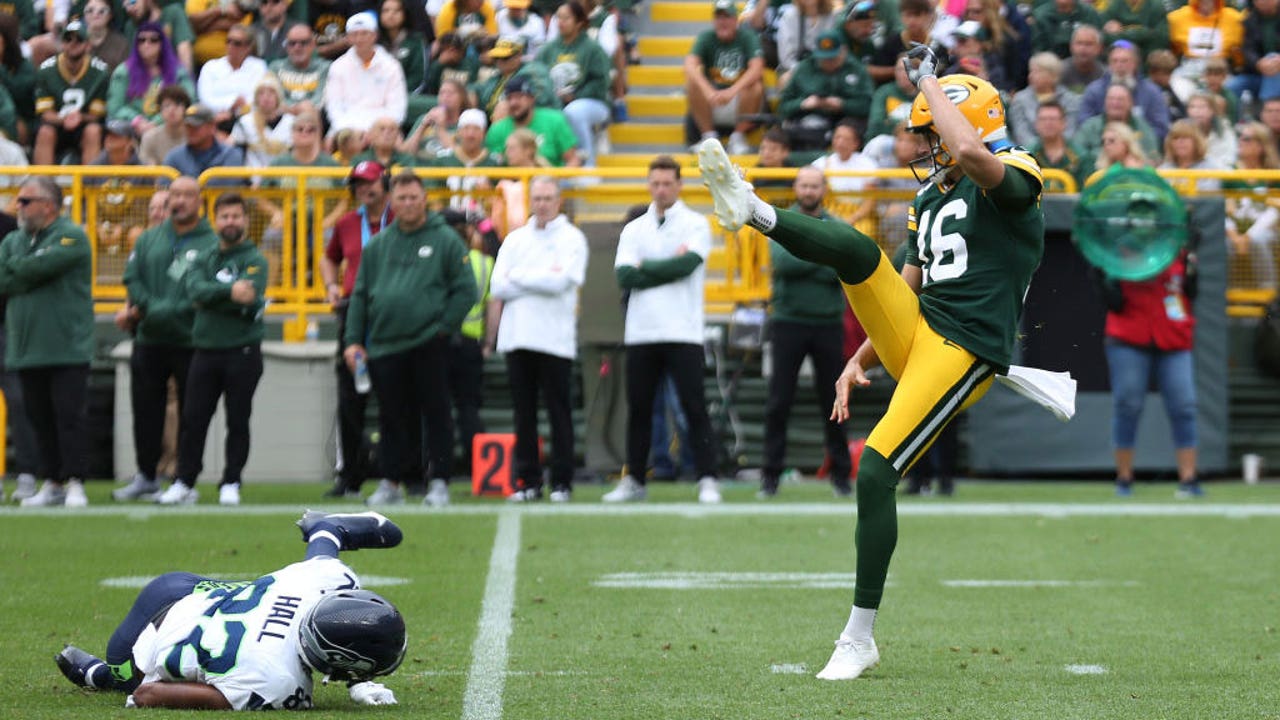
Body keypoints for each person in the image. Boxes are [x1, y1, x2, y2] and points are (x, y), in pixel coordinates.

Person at [697, 51, 1047, 679]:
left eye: (930, 133)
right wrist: (859, 355)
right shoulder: (930, 198)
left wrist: (930, 82)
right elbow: (905, 284)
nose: (922, 148)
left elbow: (974, 156)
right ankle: (754, 210)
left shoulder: (1015, 169)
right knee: (859, 251)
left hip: (966, 347)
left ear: (958, 123)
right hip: (919, 330)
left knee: (876, 470)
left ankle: (859, 637)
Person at [53, 510, 407, 710]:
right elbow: (149, 694)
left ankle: (329, 527)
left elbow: (323, 562)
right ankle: (101, 674)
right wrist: (358, 683)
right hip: (137, 644)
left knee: (323, 552)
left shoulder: (323, 584)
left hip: (178, 588)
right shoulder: (281, 685)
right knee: (127, 676)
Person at [342, 172, 478, 507]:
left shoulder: (445, 239)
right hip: (386, 343)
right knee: (391, 417)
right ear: (392, 201)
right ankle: (391, 481)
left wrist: (444, 327)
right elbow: (359, 295)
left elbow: (466, 290)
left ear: (424, 199)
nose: (407, 203)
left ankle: (440, 482)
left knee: (437, 413)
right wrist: (352, 340)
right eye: (401, 198)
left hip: (430, 342)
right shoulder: (378, 245)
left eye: (413, 197)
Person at [603, 156, 724, 504]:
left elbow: (688, 265)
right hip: (641, 331)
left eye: (667, 183)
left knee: (693, 406)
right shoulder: (634, 228)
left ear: (679, 185)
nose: (661, 189)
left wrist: (647, 268)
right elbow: (625, 275)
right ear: (648, 185)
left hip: (683, 331)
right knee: (639, 409)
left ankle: (707, 478)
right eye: (655, 183)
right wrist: (664, 266)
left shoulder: (695, 224)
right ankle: (635, 480)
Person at [155, 193, 268, 507]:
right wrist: (230, 292)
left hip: (242, 351)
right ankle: (185, 481)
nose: (230, 222)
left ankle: (231, 481)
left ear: (245, 220)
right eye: (224, 216)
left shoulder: (255, 259)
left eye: (235, 216)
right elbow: (195, 291)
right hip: (205, 350)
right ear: (215, 220)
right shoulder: (204, 256)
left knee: (238, 419)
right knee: (193, 419)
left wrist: (217, 296)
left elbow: (251, 299)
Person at [113, 177, 219, 502]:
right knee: (145, 410)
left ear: (200, 201)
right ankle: (147, 475)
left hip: (192, 339)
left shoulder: (211, 242)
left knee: (192, 413)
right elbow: (132, 278)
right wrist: (152, 307)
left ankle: (184, 478)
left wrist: (164, 308)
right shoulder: (149, 239)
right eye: (175, 195)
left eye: (188, 195)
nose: (180, 201)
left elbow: (206, 288)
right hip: (149, 338)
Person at [490, 176, 588, 502]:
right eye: (537, 198)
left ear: (559, 201)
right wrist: (542, 276)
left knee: (559, 413)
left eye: (548, 198)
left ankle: (562, 482)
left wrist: (519, 278)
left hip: (555, 339)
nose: (542, 204)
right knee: (524, 414)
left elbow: (563, 282)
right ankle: (528, 482)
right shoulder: (515, 239)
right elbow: (497, 286)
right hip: (517, 338)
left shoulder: (573, 238)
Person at [0, 178, 95, 508]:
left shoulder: (73, 236)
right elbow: (5, 276)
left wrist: (19, 271)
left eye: (26, 201)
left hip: (65, 345)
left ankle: (75, 481)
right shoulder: (13, 240)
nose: (19, 207)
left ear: (50, 205)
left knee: (69, 417)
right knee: (38, 418)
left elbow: (34, 269)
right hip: (26, 348)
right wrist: (21, 270)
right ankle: (52, 481)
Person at [760, 166, 852, 499]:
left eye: (815, 185)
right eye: (804, 185)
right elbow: (784, 264)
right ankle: (769, 476)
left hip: (827, 322)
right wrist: (823, 257)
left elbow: (842, 269)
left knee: (835, 402)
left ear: (823, 189)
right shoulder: (780, 223)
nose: (809, 191)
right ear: (796, 188)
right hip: (787, 321)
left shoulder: (838, 227)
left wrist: (811, 257)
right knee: (778, 401)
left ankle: (841, 475)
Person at [1098, 215, 1202, 498]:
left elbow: (1192, 291)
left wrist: (1193, 260)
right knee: (1128, 404)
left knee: (1184, 405)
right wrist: (1103, 275)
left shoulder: (1179, 250)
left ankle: (1189, 479)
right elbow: (1113, 301)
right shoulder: (1119, 251)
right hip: (1129, 334)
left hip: (1174, 334)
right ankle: (1124, 478)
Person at [320, 161, 393, 499]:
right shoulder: (349, 223)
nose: (364, 189)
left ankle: (403, 473)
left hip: (393, 313)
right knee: (350, 398)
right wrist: (331, 287)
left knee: (397, 397)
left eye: (369, 182)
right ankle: (350, 475)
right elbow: (329, 257)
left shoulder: (401, 219)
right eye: (358, 184)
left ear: (384, 182)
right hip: (354, 312)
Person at [536, 0, 613, 167]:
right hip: (555, 101)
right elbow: (537, 76)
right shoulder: (547, 50)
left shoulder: (593, 49)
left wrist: (575, 96)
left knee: (574, 111)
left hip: (594, 103)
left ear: (579, 22)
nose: (561, 22)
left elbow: (601, 82)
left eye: (566, 18)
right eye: (559, 18)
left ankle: (587, 166)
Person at [683, 0, 766, 156]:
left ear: (735, 20)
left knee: (755, 86)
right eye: (719, 17)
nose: (723, 22)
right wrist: (708, 91)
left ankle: (738, 137)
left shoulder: (748, 37)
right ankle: (708, 137)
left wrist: (732, 91)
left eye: (727, 17)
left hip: (740, 101)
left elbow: (757, 69)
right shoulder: (706, 37)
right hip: (712, 100)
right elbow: (689, 65)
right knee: (692, 82)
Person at [0, 208, 41, 504]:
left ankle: (27, 474)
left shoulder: (11, 227)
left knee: (18, 398)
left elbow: (19, 273)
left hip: (7, 324)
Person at [777, 29, 874, 151]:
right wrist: (803, 104)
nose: (828, 62)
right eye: (823, 59)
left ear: (843, 51)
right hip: (812, 121)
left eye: (832, 58)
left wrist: (842, 104)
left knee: (849, 131)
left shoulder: (857, 69)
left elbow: (868, 105)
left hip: (848, 121)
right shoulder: (804, 68)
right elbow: (784, 107)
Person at [33, 20, 110, 166]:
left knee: (93, 131)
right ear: (62, 43)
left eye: (79, 39)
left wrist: (80, 117)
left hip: (84, 125)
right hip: (56, 124)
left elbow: (96, 115)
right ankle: (42, 184)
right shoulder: (46, 70)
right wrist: (64, 120)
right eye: (68, 39)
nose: (72, 44)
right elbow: (45, 113)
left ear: (88, 45)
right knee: (45, 132)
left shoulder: (100, 72)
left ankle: (89, 184)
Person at [325, 11, 408, 137]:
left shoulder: (391, 66)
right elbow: (334, 106)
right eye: (354, 34)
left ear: (374, 35)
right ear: (348, 38)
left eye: (364, 33)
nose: (359, 39)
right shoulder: (337, 66)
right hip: (347, 127)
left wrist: (379, 130)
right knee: (329, 141)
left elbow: (397, 108)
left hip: (382, 128)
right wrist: (348, 130)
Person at [106, 23, 196, 138]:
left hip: (168, 124)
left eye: (153, 40)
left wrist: (156, 122)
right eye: (141, 40)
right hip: (131, 126)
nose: (146, 44)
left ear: (162, 44)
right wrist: (138, 121)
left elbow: (189, 100)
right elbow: (115, 107)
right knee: (115, 126)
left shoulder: (178, 71)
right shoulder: (123, 72)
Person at [485, 75, 582, 166]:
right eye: (509, 98)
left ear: (531, 99)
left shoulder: (554, 120)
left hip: (552, 179)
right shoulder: (497, 130)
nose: (513, 103)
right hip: (512, 181)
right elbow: (494, 165)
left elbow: (573, 160)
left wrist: (555, 180)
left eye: (519, 97)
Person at [195, 24, 268, 133]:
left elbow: (257, 97)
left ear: (248, 47)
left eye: (237, 43)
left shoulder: (259, 66)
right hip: (214, 120)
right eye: (228, 41)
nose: (230, 46)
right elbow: (205, 98)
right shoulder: (210, 67)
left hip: (248, 120)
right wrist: (231, 103)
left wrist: (235, 112)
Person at [162, 104, 247, 183]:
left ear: (212, 127)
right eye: (188, 126)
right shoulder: (174, 156)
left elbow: (229, 187)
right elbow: (164, 187)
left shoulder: (230, 155)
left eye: (196, 127)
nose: (190, 131)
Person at [270, 23, 331, 116]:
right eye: (292, 43)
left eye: (303, 43)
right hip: (282, 119)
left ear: (313, 44)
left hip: (314, 118)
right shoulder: (275, 67)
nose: (297, 47)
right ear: (286, 46)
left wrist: (300, 109)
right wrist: (293, 109)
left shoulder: (326, 67)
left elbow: (320, 98)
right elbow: (273, 98)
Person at [138, 84, 191, 166]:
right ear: (160, 110)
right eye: (167, 105)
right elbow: (147, 169)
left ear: (186, 109)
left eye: (177, 104)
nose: (172, 110)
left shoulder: (194, 136)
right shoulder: (150, 137)